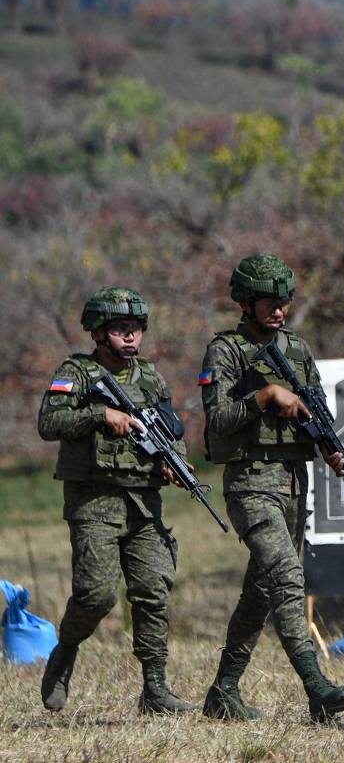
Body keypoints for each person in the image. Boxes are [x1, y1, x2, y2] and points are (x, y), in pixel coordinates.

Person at [199, 253, 344, 723]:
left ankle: (224, 689)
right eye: (270, 302)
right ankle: (316, 687)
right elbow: (218, 420)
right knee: (286, 578)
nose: (279, 311)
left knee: (262, 591)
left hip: (293, 482)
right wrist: (265, 396)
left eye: (284, 302)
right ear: (247, 302)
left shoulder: (298, 349)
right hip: (251, 483)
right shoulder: (224, 351)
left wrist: (332, 447)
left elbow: (316, 411)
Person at [37, 287, 194, 715]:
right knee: (96, 594)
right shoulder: (76, 371)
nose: (130, 337)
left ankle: (155, 688)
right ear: (99, 332)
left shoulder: (150, 376)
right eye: (120, 329)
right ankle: (65, 650)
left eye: (136, 329)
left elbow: (168, 433)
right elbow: (49, 422)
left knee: (152, 589)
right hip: (94, 499)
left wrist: (175, 464)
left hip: (143, 501)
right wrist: (99, 415)